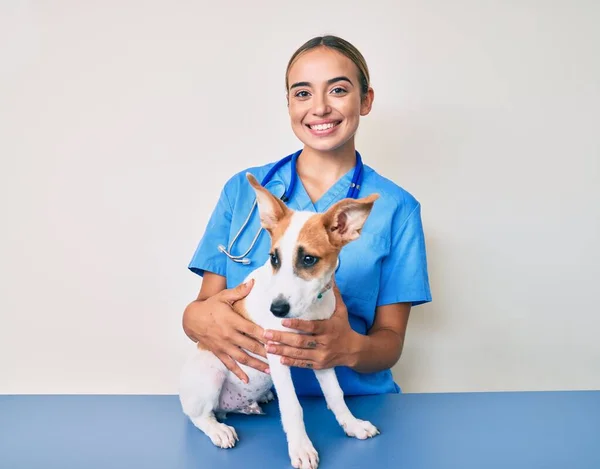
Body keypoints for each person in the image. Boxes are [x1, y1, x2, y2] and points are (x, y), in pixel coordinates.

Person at [182, 35, 431, 397]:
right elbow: (202, 311)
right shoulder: (243, 190)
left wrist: (350, 348)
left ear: (366, 100)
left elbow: (390, 343)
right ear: (289, 105)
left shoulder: (397, 208)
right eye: (302, 93)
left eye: (338, 90)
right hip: (254, 402)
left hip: (354, 404)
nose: (319, 108)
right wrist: (195, 319)